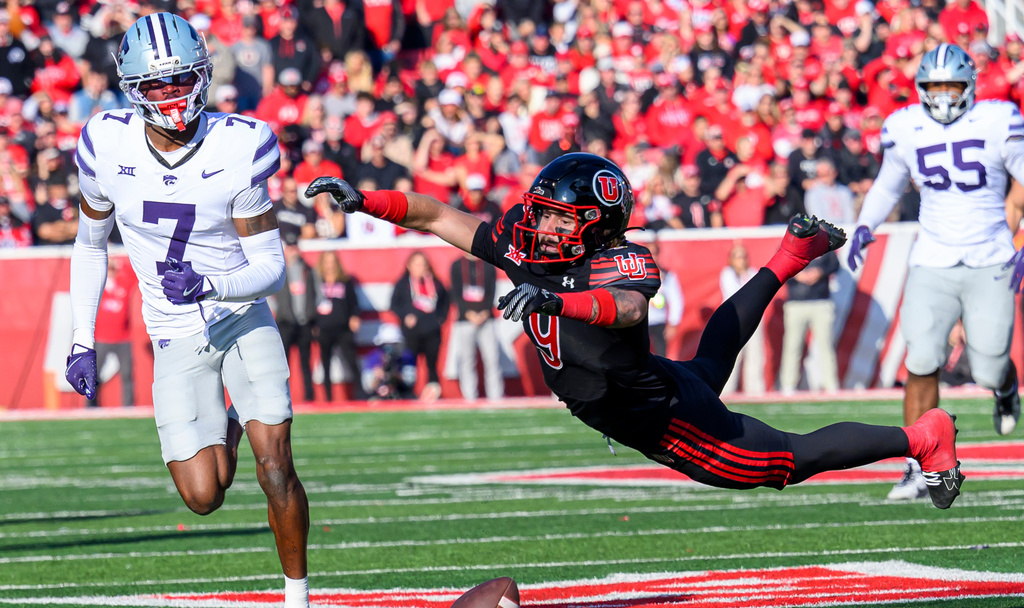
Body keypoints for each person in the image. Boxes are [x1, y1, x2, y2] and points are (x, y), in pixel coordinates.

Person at [306, 152, 964, 511]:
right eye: (540, 212)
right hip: (648, 385)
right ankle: (791, 253)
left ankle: (922, 436)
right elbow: (439, 216)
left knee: (787, 461)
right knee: (709, 361)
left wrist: (556, 302)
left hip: (664, 417)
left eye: (558, 218)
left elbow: (622, 309)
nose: (540, 226)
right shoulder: (529, 249)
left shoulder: (623, 258)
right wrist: (367, 200)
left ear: (596, 223)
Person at [64, 13, 320, 608]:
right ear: (130, 89)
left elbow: (270, 266)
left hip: (239, 315)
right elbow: (89, 246)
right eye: (156, 85)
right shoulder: (106, 145)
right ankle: (226, 420)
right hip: (173, 331)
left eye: (181, 79)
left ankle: (297, 604)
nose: (171, 95)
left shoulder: (240, 145)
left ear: (203, 75)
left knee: (275, 466)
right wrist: (81, 339)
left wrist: (213, 284)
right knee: (203, 495)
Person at [848, 44, 1024, 500]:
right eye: (933, 86)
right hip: (932, 257)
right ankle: (917, 466)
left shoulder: (997, 118)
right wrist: (866, 224)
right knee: (921, 360)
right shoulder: (905, 126)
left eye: (951, 85)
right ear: (920, 89)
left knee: (987, 366)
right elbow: (888, 183)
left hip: (989, 256)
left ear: (969, 86)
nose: (943, 95)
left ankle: (1005, 388)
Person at [778, 247, 840, 394]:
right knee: (792, 345)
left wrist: (820, 272)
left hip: (820, 301)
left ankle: (831, 384)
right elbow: (780, 267)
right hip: (796, 303)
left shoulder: (824, 243)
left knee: (826, 345)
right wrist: (796, 274)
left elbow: (835, 265)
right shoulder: (790, 243)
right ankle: (788, 385)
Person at [389, 251, 449, 402]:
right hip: (411, 333)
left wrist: (440, 318)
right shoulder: (403, 284)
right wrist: (405, 316)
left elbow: (446, 301)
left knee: (432, 365)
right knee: (410, 366)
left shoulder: (435, 282)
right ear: (409, 266)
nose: (419, 268)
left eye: (422, 264)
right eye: (416, 264)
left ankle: (434, 394)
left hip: (432, 331)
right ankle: (409, 394)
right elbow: (393, 305)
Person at [449, 253, 503, 401]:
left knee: (492, 359)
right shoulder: (457, 265)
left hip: (487, 319)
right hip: (465, 320)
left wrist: (485, 312)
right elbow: (455, 293)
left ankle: (496, 398)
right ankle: (469, 398)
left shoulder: (488, 265)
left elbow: (492, 291)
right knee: (467, 360)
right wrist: (467, 313)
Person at [273, 232, 318, 403]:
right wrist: (279, 310)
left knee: (306, 364)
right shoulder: (280, 269)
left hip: (304, 322)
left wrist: (312, 316)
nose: (293, 251)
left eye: (294, 248)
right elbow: (270, 295)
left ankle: (309, 398)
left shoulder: (308, 270)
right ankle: (281, 397)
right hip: (285, 322)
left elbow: (316, 294)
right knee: (283, 364)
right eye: (290, 248)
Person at [315, 251, 365, 401]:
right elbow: (310, 303)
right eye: (326, 261)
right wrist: (313, 323)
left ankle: (360, 395)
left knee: (351, 361)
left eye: (332, 261)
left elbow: (353, 302)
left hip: (343, 329)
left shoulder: (345, 281)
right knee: (326, 364)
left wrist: (354, 317)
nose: (329, 265)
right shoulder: (317, 281)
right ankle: (328, 398)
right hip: (324, 328)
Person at [719, 243, 765, 395]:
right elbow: (736, 294)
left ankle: (755, 391)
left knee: (755, 356)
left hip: (753, 318)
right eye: (737, 257)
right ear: (731, 260)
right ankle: (726, 391)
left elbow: (757, 296)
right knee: (732, 357)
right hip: (734, 320)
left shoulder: (752, 273)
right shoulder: (727, 274)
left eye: (743, 257)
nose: (741, 260)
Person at [89, 259, 135, 407]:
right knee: (94, 375)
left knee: (127, 374)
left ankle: (128, 407)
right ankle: (91, 406)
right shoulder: (99, 287)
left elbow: (133, 273)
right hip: (102, 338)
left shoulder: (123, 284)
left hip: (123, 338)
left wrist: (118, 262)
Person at [646, 238, 683, 358]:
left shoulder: (667, 275)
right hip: (641, 320)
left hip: (659, 320)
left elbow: (676, 299)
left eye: (654, 253)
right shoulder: (637, 274)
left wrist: (673, 322)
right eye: (649, 253)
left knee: (661, 355)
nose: (652, 257)